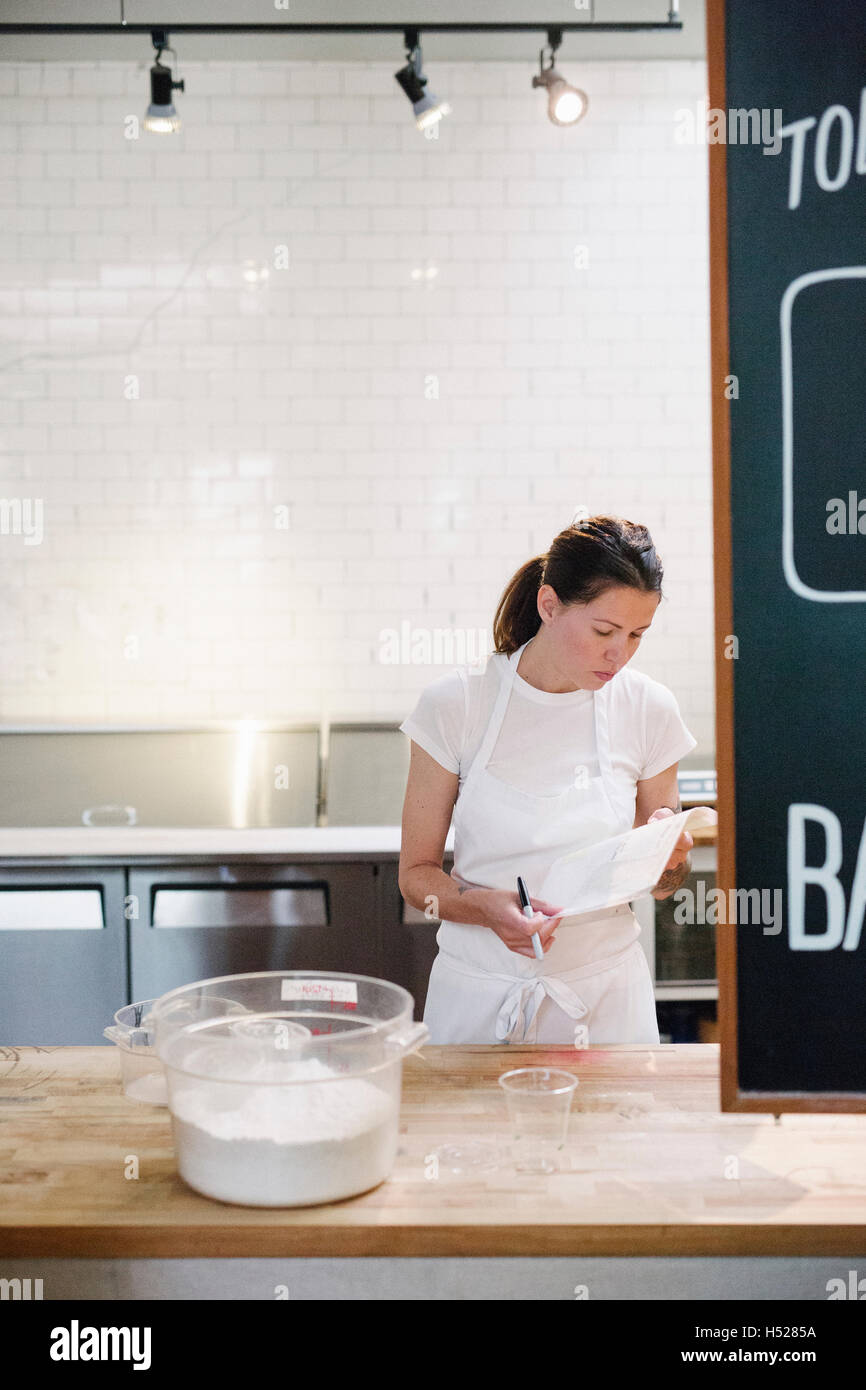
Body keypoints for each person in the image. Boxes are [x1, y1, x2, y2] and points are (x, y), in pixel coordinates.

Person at [397, 515, 699, 1045]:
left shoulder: (648, 709)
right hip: (479, 997)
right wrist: (483, 910)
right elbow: (416, 876)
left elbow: (663, 885)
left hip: (606, 1000)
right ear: (549, 605)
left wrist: (669, 862)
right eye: (604, 631)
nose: (619, 654)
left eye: (637, 635)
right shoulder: (457, 705)